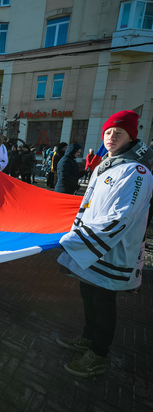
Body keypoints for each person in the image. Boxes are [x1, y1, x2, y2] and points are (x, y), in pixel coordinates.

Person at [56, 110, 153, 378]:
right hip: (92, 249)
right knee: (89, 295)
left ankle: (98, 354)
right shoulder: (106, 165)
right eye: (108, 132)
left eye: (118, 133)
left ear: (131, 137)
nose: (111, 137)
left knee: (103, 301)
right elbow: (88, 207)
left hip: (111, 252)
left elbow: (120, 217)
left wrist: (77, 240)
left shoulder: (137, 171)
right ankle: (88, 338)